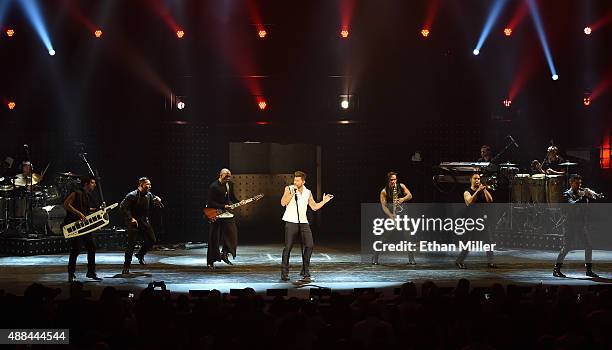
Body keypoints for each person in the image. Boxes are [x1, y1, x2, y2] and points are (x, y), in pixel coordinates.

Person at [280, 171, 333, 282]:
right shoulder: (289, 189)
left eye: (298, 180)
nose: (295, 182)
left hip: (303, 222)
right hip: (291, 221)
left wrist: (324, 201)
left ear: (303, 181)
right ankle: (284, 273)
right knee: (288, 247)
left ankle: (305, 270)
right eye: (295, 180)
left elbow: (314, 207)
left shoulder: (308, 192)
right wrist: (292, 193)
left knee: (310, 245)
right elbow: (283, 203)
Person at [553, 175, 602, 278]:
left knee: (588, 246)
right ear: (571, 183)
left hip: (580, 224)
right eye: (577, 183)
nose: (579, 185)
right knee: (566, 247)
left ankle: (588, 270)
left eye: (580, 183)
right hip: (570, 224)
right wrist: (583, 197)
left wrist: (590, 197)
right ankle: (556, 270)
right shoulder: (566, 194)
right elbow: (573, 206)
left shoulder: (581, 192)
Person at [120, 177, 163, 274]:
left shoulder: (149, 195)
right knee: (131, 244)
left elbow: (154, 204)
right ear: (141, 185)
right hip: (133, 221)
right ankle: (126, 266)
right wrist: (131, 218)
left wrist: (158, 201)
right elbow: (123, 207)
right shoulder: (132, 195)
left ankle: (140, 254)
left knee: (152, 240)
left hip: (144, 221)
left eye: (150, 184)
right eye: (147, 184)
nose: (150, 186)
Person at [64, 175, 102, 282]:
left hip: (85, 226)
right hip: (76, 226)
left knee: (91, 247)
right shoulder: (76, 192)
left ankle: (91, 272)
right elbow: (66, 204)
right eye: (93, 183)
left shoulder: (87, 195)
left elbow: (85, 208)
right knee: (75, 250)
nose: (94, 185)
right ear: (86, 184)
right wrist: (78, 213)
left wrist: (96, 210)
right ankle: (71, 274)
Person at [205, 168, 245, 269]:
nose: (228, 178)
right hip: (215, 213)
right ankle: (210, 261)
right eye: (226, 176)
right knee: (214, 237)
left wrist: (240, 202)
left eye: (229, 176)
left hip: (226, 213)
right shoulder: (213, 186)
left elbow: (231, 197)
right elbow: (210, 202)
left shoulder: (229, 184)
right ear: (220, 175)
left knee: (232, 234)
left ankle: (225, 253)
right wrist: (223, 206)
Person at [372, 171, 415, 265]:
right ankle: (375, 257)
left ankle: (411, 259)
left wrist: (402, 199)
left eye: (395, 179)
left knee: (408, 237)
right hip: (392, 215)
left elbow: (410, 195)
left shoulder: (401, 186)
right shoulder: (384, 191)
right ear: (388, 180)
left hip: (403, 215)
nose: (393, 181)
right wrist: (391, 216)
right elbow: (384, 207)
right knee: (385, 237)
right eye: (391, 180)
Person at [456, 173, 496, 269]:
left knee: (489, 241)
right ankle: (459, 261)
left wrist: (485, 189)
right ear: (471, 180)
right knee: (470, 242)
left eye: (478, 178)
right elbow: (469, 202)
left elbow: (490, 200)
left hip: (482, 220)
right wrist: (478, 191)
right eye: (475, 178)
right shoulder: (467, 192)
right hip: (471, 220)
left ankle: (490, 262)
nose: (477, 180)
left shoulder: (482, 190)